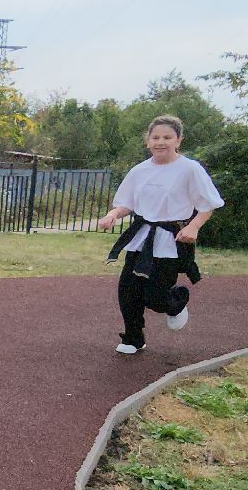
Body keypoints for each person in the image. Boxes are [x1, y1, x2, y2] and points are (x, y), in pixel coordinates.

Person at [95, 115, 222, 354]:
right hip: (141, 240)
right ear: (148, 141)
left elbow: (208, 204)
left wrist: (193, 226)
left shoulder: (189, 169)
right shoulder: (140, 171)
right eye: (155, 137)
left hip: (170, 241)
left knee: (155, 296)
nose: (160, 142)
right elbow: (127, 203)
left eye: (167, 137)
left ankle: (176, 302)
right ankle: (133, 339)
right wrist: (113, 215)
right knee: (128, 292)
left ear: (178, 140)